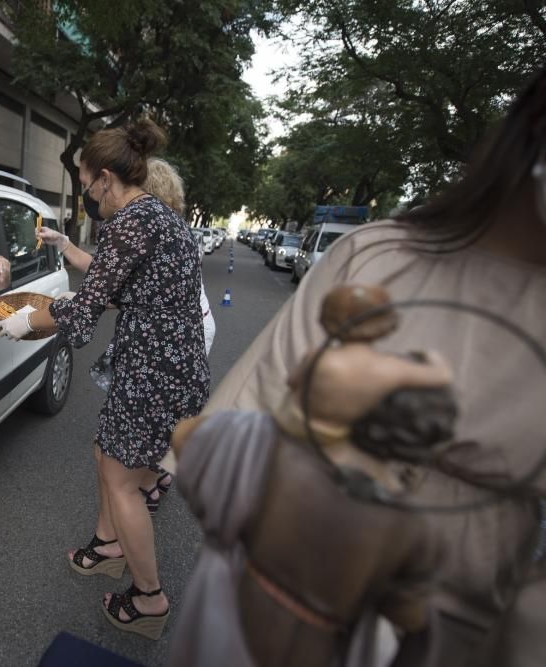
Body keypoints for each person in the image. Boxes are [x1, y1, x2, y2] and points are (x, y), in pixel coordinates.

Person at [183, 65, 546, 662]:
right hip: (263, 596)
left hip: (463, 629)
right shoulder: (379, 254)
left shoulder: (405, 537)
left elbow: (211, 447)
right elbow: (244, 417)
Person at [0, 118, 210, 639]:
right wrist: (70, 301)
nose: (90, 198)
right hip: (174, 370)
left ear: (107, 178)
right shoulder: (161, 217)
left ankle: (149, 600)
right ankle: (110, 548)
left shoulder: (131, 222)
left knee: (122, 482)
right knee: (106, 456)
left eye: (89, 187)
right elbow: (126, 292)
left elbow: (85, 313)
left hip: (151, 376)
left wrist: (23, 319)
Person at [168, 284, 455, 666]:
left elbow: (187, 440)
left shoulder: (255, 449)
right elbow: (412, 617)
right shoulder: (408, 528)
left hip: (228, 624)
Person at [39, 158, 216, 514]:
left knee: (121, 466)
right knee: (125, 445)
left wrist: (34, 320)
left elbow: (105, 283)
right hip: (179, 345)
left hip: (164, 350)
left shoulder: (142, 225)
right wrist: (65, 246)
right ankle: (143, 488)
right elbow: (108, 273)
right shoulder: (170, 229)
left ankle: (132, 511)